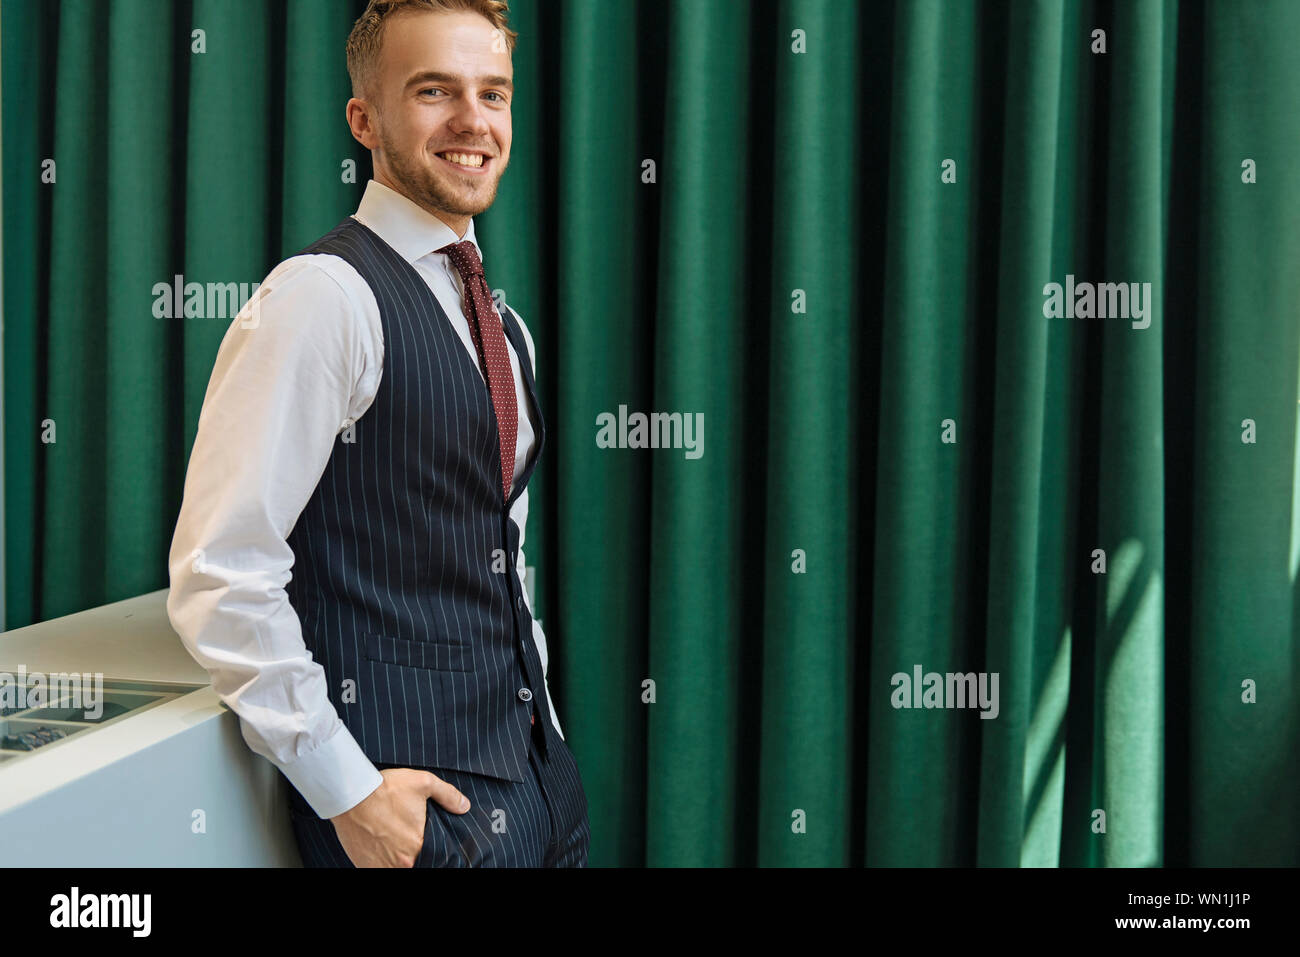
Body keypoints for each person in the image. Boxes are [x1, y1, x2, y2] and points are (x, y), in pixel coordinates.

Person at [166, 0, 589, 868]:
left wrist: (545, 733)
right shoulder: (322, 298)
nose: (474, 121)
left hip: (541, 791)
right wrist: (350, 793)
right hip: (416, 816)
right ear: (365, 119)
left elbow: (496, 557)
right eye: (435, 90)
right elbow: (220, 570)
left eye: (495, 94)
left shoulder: (506, 331)